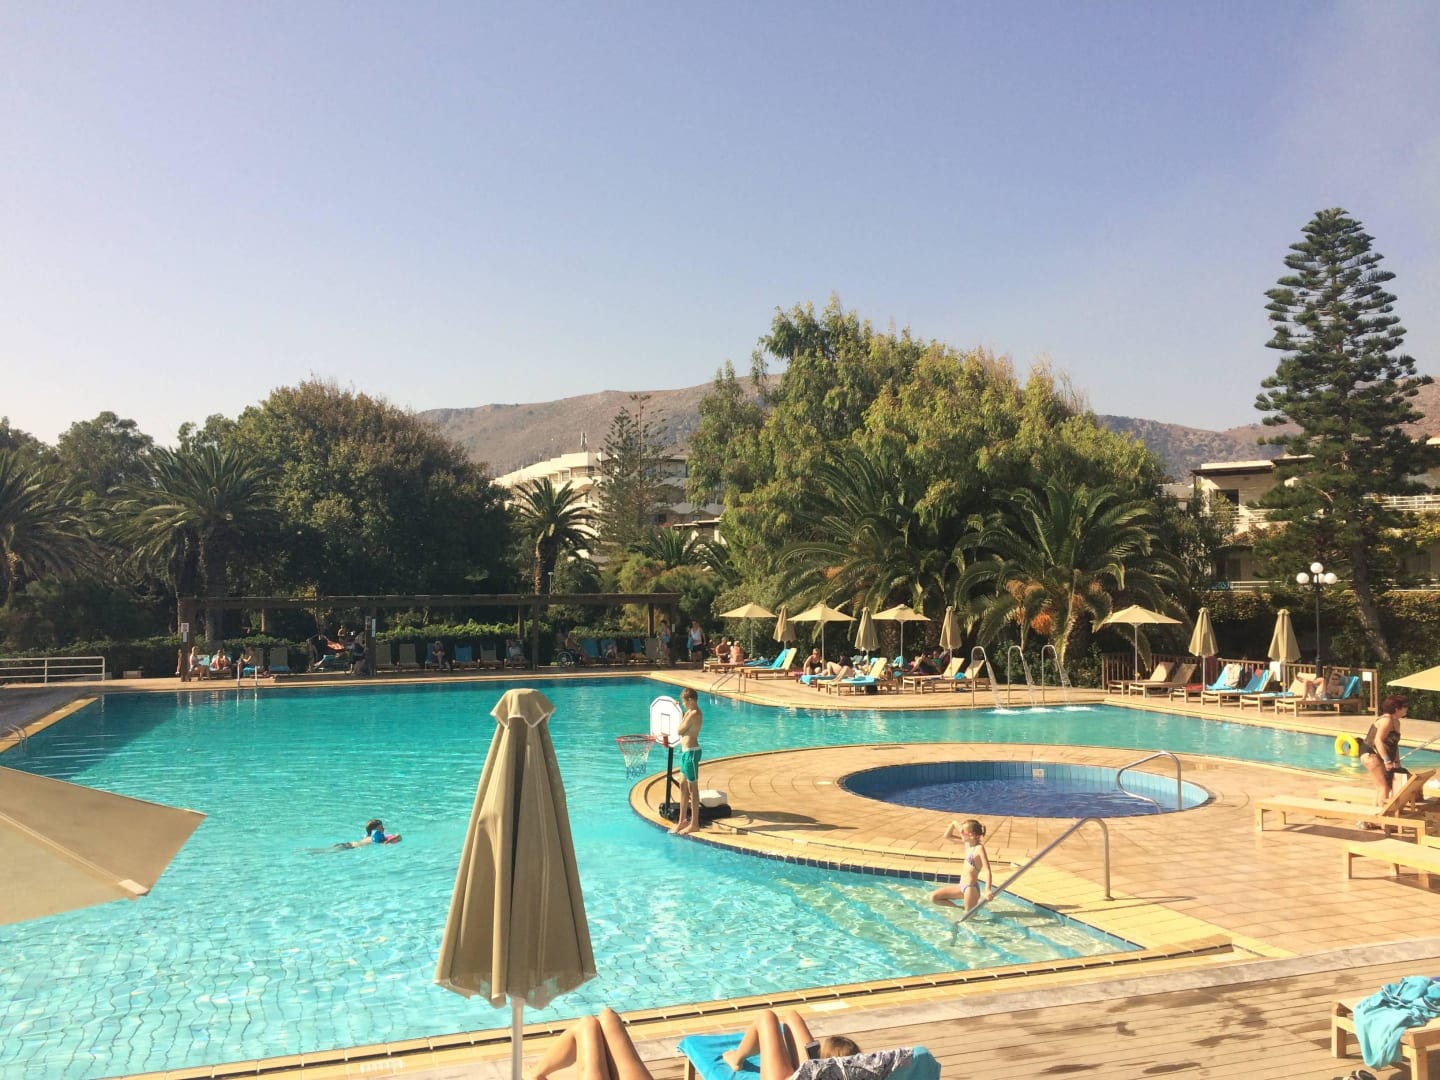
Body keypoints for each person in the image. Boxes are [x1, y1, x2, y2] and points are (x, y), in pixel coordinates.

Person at [526, 1007, 859, 1080]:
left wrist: (737, 1058)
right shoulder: (805, 1069)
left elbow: (775, 1017)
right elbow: (789, 1018)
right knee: (599, 1022)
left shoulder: (789, 1075)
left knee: (591, 1024)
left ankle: (534, 1075)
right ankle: (535, 1074)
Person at [931, 818, 996, 912]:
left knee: (968, 917)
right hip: (961, 887)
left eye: (962, 832)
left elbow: (987, 870)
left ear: (972, 835)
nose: (960, 832)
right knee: (934, 897)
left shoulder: (979, 849)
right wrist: (954, 823)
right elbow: (947, 836)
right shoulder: (967, 843)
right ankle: (960, 908)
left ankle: (966, 911)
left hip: (970, 888)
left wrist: (987, 890)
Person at [1358, 695, 1409, 812]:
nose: (1407, 708)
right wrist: (1387, 761)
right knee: (1384, 787)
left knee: (1382, 787)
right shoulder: (1386, 721)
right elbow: (1378, 741)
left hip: (1379, 755)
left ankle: (1375, 813)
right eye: (1405, 706)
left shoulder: (1396, 722)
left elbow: (1394, 744)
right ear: (1396, 708)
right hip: (1370, 754)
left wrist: (1396, 762)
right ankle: (1381, 815)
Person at [672, 687, 703, 836]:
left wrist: (682, 715)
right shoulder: (689, 713)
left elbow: (679, 730)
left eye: (684, 702)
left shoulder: (695, 713)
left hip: (692, 753)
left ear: (690, 700)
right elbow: (682, 727)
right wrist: (679, 710)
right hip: (685, 752)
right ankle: (682, 820)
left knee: (692, 789)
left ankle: (694, 823)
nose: (684, 704)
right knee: (683, 785)